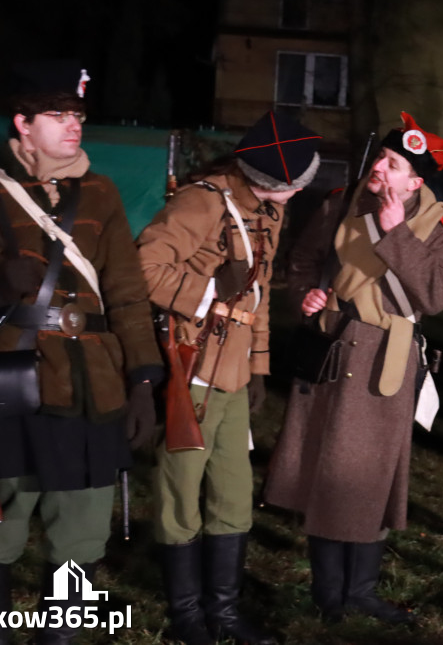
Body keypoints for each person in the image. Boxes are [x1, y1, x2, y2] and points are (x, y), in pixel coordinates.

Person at [0, 64, 163, 644]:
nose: (73, 125)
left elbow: (126, 292)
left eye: (77, 115)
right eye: (57, 115)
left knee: (81, 531)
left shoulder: (100, 193)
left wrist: (145, 378)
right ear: (23, 124)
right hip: (10, 382)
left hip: (94, 386)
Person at [263, 112, 443, 624]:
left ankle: (363, 591)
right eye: (381, 157)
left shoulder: (441, 230)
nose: (379, 167)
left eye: (392, 164)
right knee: (325, 473)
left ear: (414, 182)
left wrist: (397, 236)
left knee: (371, 478)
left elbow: (435, 297)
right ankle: (330, 594)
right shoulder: (339, 204)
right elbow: (301, 259)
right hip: (332, 348)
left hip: (385, 360)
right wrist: (305, 296)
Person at [136, 110, 321, 645]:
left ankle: (225, 610)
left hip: (234, 372)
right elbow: (144, 265)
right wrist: (209, 292)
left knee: (235, 496)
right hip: (191, 365)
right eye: (292, 184)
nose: (294, 193)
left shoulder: (269, 211)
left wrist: (259, 367)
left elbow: (259, 297)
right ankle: (187, 614)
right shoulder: (201, 202)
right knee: (180, 492)